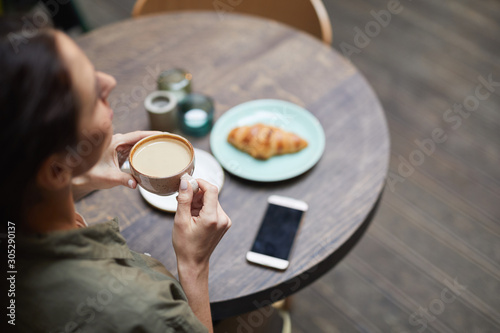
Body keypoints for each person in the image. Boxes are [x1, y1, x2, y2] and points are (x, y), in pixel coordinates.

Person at [0, 17, 231, 333]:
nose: (108, 81)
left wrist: (72, 180)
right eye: (94, 93)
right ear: (52, 169)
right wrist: (194, 266)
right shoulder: (139, 309)